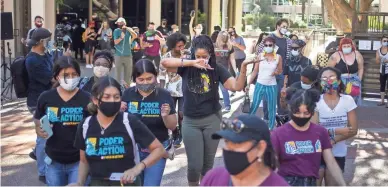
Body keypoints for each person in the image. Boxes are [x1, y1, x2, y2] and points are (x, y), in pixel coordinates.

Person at [161, 35, 249, 186]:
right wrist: (192, 62)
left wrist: (243, 69)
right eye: (198, 56)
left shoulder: (217, 68)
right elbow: (165, 63)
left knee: (207, 166)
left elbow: (236, 86)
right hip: (190, 121)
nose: (202, 59)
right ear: (193, 53)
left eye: (205, 56)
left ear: (211, 54)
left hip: (212, 119)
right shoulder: (187, 67)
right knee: (194, 165)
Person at [71, 76, 166, 186]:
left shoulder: (129, 121)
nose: (112, 101)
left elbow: (159, 149)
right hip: (97, 183)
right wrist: (79, 183)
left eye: (116, 97)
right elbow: (84, 161)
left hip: (126, 183)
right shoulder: (85, 125)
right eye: (107, 97)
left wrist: (137, 168)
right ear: (95, 100)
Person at [271, 88, 346, 186]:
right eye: (297, 112)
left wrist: (343, 184)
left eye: (306, 113)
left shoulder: (320, 132)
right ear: (291, 109)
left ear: (312, 111)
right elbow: (271, 166)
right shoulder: (278, 134)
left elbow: (331, 162)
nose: (301, 116)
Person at [33, 56, 89, 186]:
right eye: (65, 75)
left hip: (79, 161)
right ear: (57, 76)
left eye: (74, 74)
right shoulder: (46, 97)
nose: (70, 78)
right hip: (53, 161)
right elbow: (37, 119)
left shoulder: (87, 99)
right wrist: (38, 129)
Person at [121, 59, 177, 186]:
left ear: (156, 77)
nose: (145, 82)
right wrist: (118, 110)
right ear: (135, 79)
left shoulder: (164, 95)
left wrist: (165, 116)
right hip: (132, 151)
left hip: (156, 151)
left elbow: (172, 126)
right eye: (141, 79)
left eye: (149, 78)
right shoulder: (127, 94)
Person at [201, 115, 289, 186]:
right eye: (227, 142)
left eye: (237, 143)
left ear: (261, 148)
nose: (229, 149)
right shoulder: (213, 178)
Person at [311, 67, 358, 186]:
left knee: (332, 182)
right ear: (320, 82)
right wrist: (339, 130)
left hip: (338, 152)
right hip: (317, 150)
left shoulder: (348, 100)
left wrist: (332, 140)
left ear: (339, 80)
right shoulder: (316, 101)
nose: (328, 81)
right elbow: (315, 131)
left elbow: (353, 130)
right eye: (324, 78)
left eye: (331, 77)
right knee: (317, 177)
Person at [25, 27, 54, 183]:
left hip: (46, 100)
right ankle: (42, 171)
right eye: (48, 40)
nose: (51, 42)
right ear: (41, 41)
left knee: (50, 131)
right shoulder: (33, 60)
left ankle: (38, 152)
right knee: (44, 136)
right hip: (37, 103)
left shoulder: (45, 54)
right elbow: (52, 79)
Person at [257, 19, 292, 122]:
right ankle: (267, 118)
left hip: (281, 72)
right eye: (283, 26)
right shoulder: (270, 37)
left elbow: (288, 56)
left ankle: (281, 117)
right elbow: (259, 51)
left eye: (286, 27)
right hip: (268, 72)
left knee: (280, 95)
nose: (285, 29)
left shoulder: (287, 40)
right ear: (277, 26)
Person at [246, 37, 283, 130]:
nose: (268, 47)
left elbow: (280, 70)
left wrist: (276, 72)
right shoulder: (260, 56)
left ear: (274, 45)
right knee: (254, 105)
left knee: (272, 107)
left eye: (270, 45)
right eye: (266, 45)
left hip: (272, 86)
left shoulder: (278, 57)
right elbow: (255, 71)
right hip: (260, 84)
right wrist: (248, 84)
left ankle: (270, 128)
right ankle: (248, 126)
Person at [158, 32, 188, 147]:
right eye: (179, 46)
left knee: (182, 113)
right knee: (170, 113)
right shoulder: (166, 57)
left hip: (185, 89)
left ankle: (180, 136)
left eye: (183, 45)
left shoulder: (187, 56)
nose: (181, 48)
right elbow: (161, 75)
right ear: (172, 45)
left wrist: (185, 59)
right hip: (170, 90)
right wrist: (160, 92)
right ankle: (175, 132)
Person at [328, 38, 364, 104]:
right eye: (344, 46)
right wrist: (333, 83)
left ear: (351, 46)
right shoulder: (335, 55)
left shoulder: (357, 55)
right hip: (339, 82)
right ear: (341, 46)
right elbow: (329, 70)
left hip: (354, 82)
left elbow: (360, 68)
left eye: (348, 46)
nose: (346, 47)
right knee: (340, 103)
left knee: (353, 103)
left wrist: (359, 80)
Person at [214, 31, 238, 112]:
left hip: (224, 71)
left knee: (224, 89)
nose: (223, 41)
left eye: (225, 39)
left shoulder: (229, 47)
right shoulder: (213, 46)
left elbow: (232, 59)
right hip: (213, 70)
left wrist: (235, 71)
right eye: (222, 39)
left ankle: (227, 105)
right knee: (214, 89)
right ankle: (215, 106)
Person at [113, 17, 137, 83]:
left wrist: (129, 30)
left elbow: (135, 36)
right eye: (118, 23)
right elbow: (115, 42)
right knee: (117, 74)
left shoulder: (128, 30)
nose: (119, 24)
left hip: (128, 55)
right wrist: (121, 37)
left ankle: (127, 89)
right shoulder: (116, 31)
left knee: (128, 75)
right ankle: (117, 88)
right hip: (118, 55)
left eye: (121, 23)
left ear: (124, 23)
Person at [376, 35, 388, 107]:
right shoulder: (378, 50)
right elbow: (377, 61)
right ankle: (382, 101)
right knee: (382, 86)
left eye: (387, 41)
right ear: (381, 41)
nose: (386, 42)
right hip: (382, 71)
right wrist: (380, 59)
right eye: (384, 41)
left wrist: (386, 61)